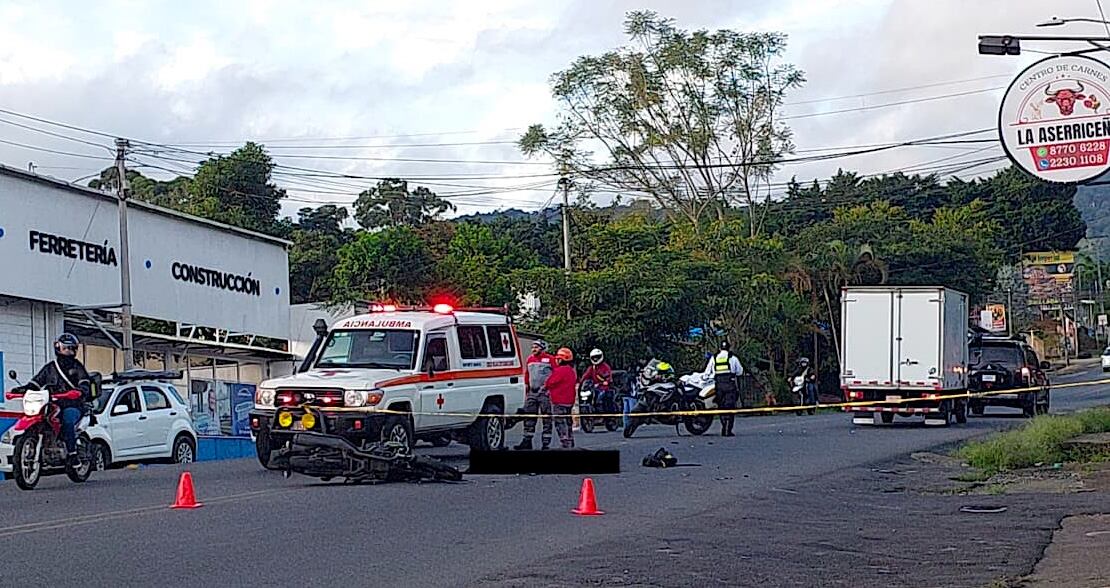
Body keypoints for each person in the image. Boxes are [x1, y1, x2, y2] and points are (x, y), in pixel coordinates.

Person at [18, 333, 91, 464]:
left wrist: (80, 390)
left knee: (67, 420)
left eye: (71, 348)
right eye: (65, 348)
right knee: (41, 417)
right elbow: (36, 382)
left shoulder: (77, 367)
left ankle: (72, 454)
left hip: (73, 404)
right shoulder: (50, 367)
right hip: (52, 404)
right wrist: (23, 389)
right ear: (58, 348)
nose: (68, 351)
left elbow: (84, 382)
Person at [515, 340, 557, 450]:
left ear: (542, 348)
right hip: (532, 393)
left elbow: (556, 374)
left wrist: (550, 389)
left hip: (545, 393)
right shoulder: (530, 359)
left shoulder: (550, 359)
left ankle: (546, 443)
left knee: (546, 417)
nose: (534, 349)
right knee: (529, 416)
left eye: (536, 347)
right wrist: (526, 386)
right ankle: (527, 441)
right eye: (533, 347)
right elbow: (527, 374)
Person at [704, 341, 743, 437]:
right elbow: (740, 372)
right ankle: (727, 429)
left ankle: (724, 426)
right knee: (730, 407)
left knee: (721, 407)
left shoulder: (714, 358)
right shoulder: (733, 358)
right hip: (730, 385)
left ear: (720, 348)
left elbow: (707, 373)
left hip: (719, 386)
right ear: (729, 348)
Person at [545, 347, 579, 449]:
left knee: (560, 422)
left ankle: (565, 441)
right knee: (568, 421)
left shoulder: (559, 370)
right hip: (569, 401)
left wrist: (544, 387)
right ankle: (570, 440)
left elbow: (550, 382)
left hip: (558, 401)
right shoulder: (571, 371)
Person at [579, 348, 613, 413]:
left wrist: (605, 382)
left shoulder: (605, 367)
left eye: (597, 357)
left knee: (600, 398)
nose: (595, 359)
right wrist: (580, 383)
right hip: (593, 388)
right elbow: (585, 376)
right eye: (594, 357)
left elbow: (608, 378)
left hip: (603, 388)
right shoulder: (592, 368)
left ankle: (601, 412)